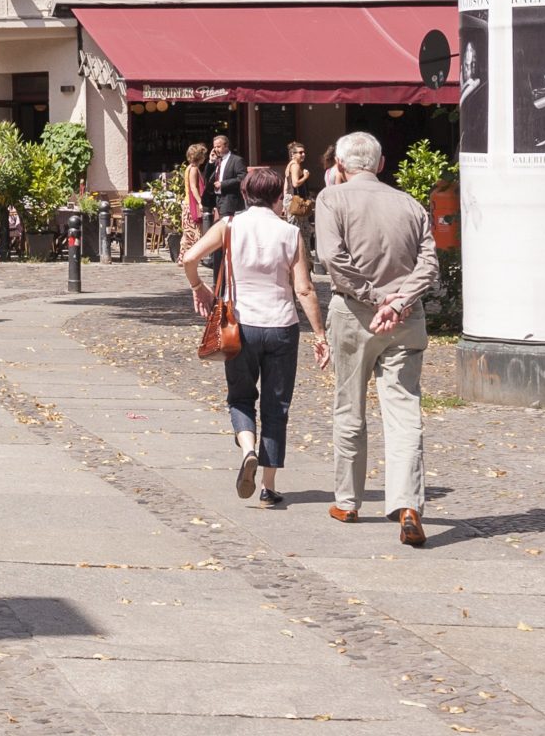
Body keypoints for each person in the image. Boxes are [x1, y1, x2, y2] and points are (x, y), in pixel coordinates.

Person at [315, 130, 440, 546]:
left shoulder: (332, 199)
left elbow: (332, 257)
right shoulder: (409, 203)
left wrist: (375, 297)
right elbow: (429, 265)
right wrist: (400, 301)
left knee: (349, 406)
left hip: (354, 313)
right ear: (381, 165)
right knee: (404, 413)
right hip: (405, 319)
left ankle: (348, 501)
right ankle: (407, 505)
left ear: (339, 166)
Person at [182, 165, 329, 508]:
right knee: (277, 406)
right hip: (281, 326)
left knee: (240, 397)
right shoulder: (290, 234)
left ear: (245, 195)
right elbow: (304, 289)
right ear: (280, 198)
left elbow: (189, 257)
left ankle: (248, 450)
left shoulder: (230, 225)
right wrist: (320, 334)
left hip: (240, 326)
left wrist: (198, 287)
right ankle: (268, 486)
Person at [178, 142, 210, 254]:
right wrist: (200, 202)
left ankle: (184, 256)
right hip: (191, 205)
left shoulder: (189, 168)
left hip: (188, 204)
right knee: (193, 231)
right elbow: (193, 187)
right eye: (203, 155)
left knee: (188, 232)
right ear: (199, 156)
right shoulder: (194, 169)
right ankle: (190, 256)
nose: (205, 158)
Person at [209, 133, 246, 222]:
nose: (216, 150)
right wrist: (211, 161)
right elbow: (209, 178)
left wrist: (223, 184)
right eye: (214, 147)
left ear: (226, 146)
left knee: (226, 225)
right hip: (218, 198)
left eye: (218, 147)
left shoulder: (236, 160)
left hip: (229, 199)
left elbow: (242, 177)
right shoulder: (217, 161)